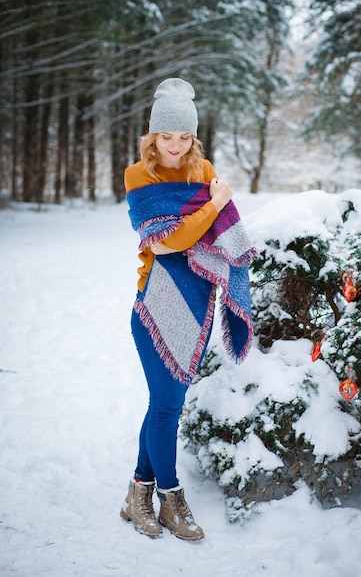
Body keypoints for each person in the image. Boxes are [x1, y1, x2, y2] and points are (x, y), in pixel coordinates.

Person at [120, 78, 256, 541]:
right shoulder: (139, 175)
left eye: (184, 137)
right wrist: (214, 203)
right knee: (167, 408)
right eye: (166, 136)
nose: (175, 146)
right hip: (155, 306)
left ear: (193, 138)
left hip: (196, 302)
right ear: (152, 136)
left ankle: (137, 492)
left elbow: (217, 235)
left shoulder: (204, 170)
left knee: (163, 405)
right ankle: (171, 497)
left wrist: (212, 209)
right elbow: (166, 242)